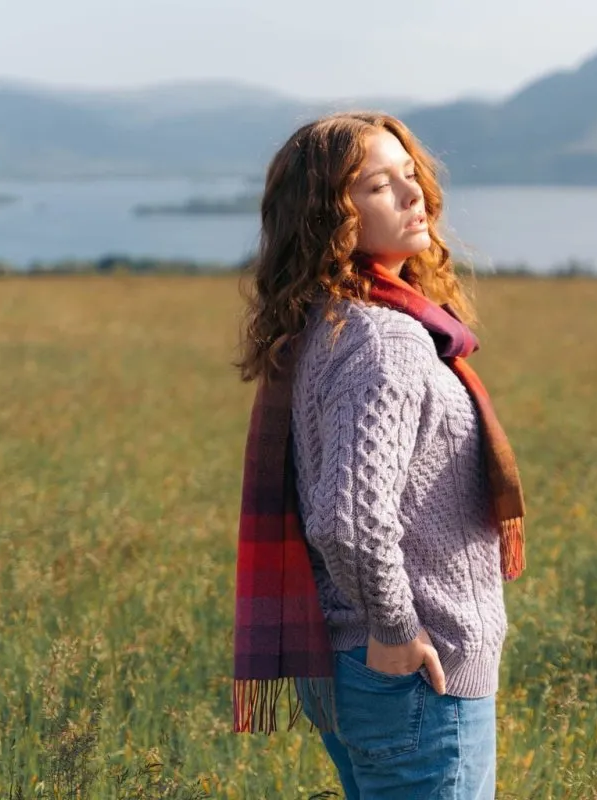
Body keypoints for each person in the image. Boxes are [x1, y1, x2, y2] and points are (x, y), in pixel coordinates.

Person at [232, 111, 526, 800]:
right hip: (415, 669)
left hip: (356, 664)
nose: (412, 194)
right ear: (325, 216)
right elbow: (350, 521)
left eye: (409, 175)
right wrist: (396, 630)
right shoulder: (381, 340)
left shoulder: (326, 322)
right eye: (376, 186)